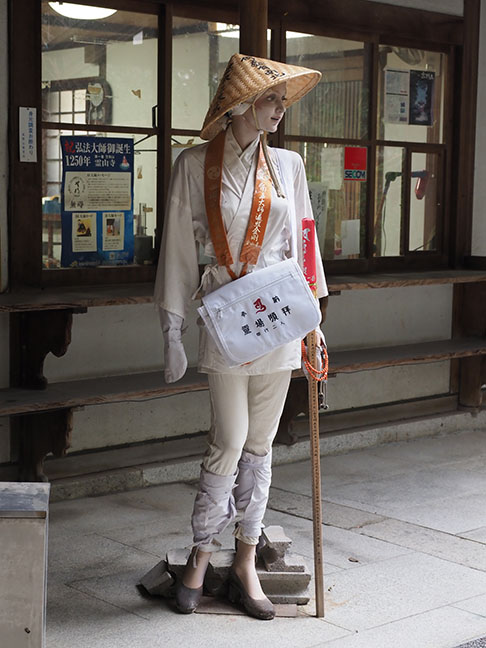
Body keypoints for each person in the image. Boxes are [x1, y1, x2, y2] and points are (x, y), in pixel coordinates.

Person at [154, 53, 328, 620]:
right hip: (227, 315)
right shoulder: (194, 165)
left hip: (277, 316)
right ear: (240, 105)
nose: (280, 110)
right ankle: (202, 551)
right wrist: (173, 328)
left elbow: (304, 241)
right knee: (228, 439)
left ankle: (246, 558)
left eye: (282, 100)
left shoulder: (288, 165)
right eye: (271, 99)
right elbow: (178, 247)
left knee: (260, 444)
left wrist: (313, 322)